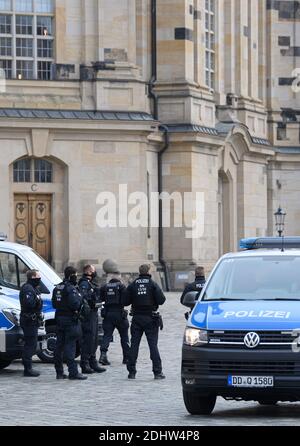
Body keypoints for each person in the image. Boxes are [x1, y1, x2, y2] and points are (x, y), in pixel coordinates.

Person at [125, 264, 166, 380]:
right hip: (150, 318)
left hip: (137, 318)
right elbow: (162, 300)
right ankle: (157, 372)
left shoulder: (133, 284)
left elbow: (125, 301)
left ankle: (131, 372)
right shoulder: (152, 284)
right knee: (153, 346)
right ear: (148, 271)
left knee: (134, 345)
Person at [52, 266, 87, 380]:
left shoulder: (57, 287)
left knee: (59, 345)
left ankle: (59, 372)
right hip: (70, 319)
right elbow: (75, 304)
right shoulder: (70, 288)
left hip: (59, 318)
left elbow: (54, 303)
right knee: (70, 346)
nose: (76, 277)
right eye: (76, 275)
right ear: (72, 275)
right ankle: (73, 372)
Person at [78, 265, 106, 374]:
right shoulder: (84, 283)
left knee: (94, 340)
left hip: (93, 313)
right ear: (89, 272)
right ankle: (85, 363)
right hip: (88, 315)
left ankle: (92, 361)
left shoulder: (91, 283)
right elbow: (84, 298)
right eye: (93, 271)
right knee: (88, 339)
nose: (95, 273)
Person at [99, 272, 130, 366]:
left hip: (108, 314)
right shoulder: (121, 286)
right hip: (120, 314)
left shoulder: (104, 287)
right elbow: (126, 301)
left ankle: (103, 356)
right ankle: (127, 358)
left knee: (107, 336)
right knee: (124, 337)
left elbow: (100, 299)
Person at [19, 270, 43, 377]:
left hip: (33, 319)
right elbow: (29, 303)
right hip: (28, 320)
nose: (40, 279)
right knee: (30, 344)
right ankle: (27, 369)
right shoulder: (27, 288)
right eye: (38, 276)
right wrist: (37, 300)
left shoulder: (34, 288)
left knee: (32, 343)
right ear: (32, 277)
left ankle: (28, 367)